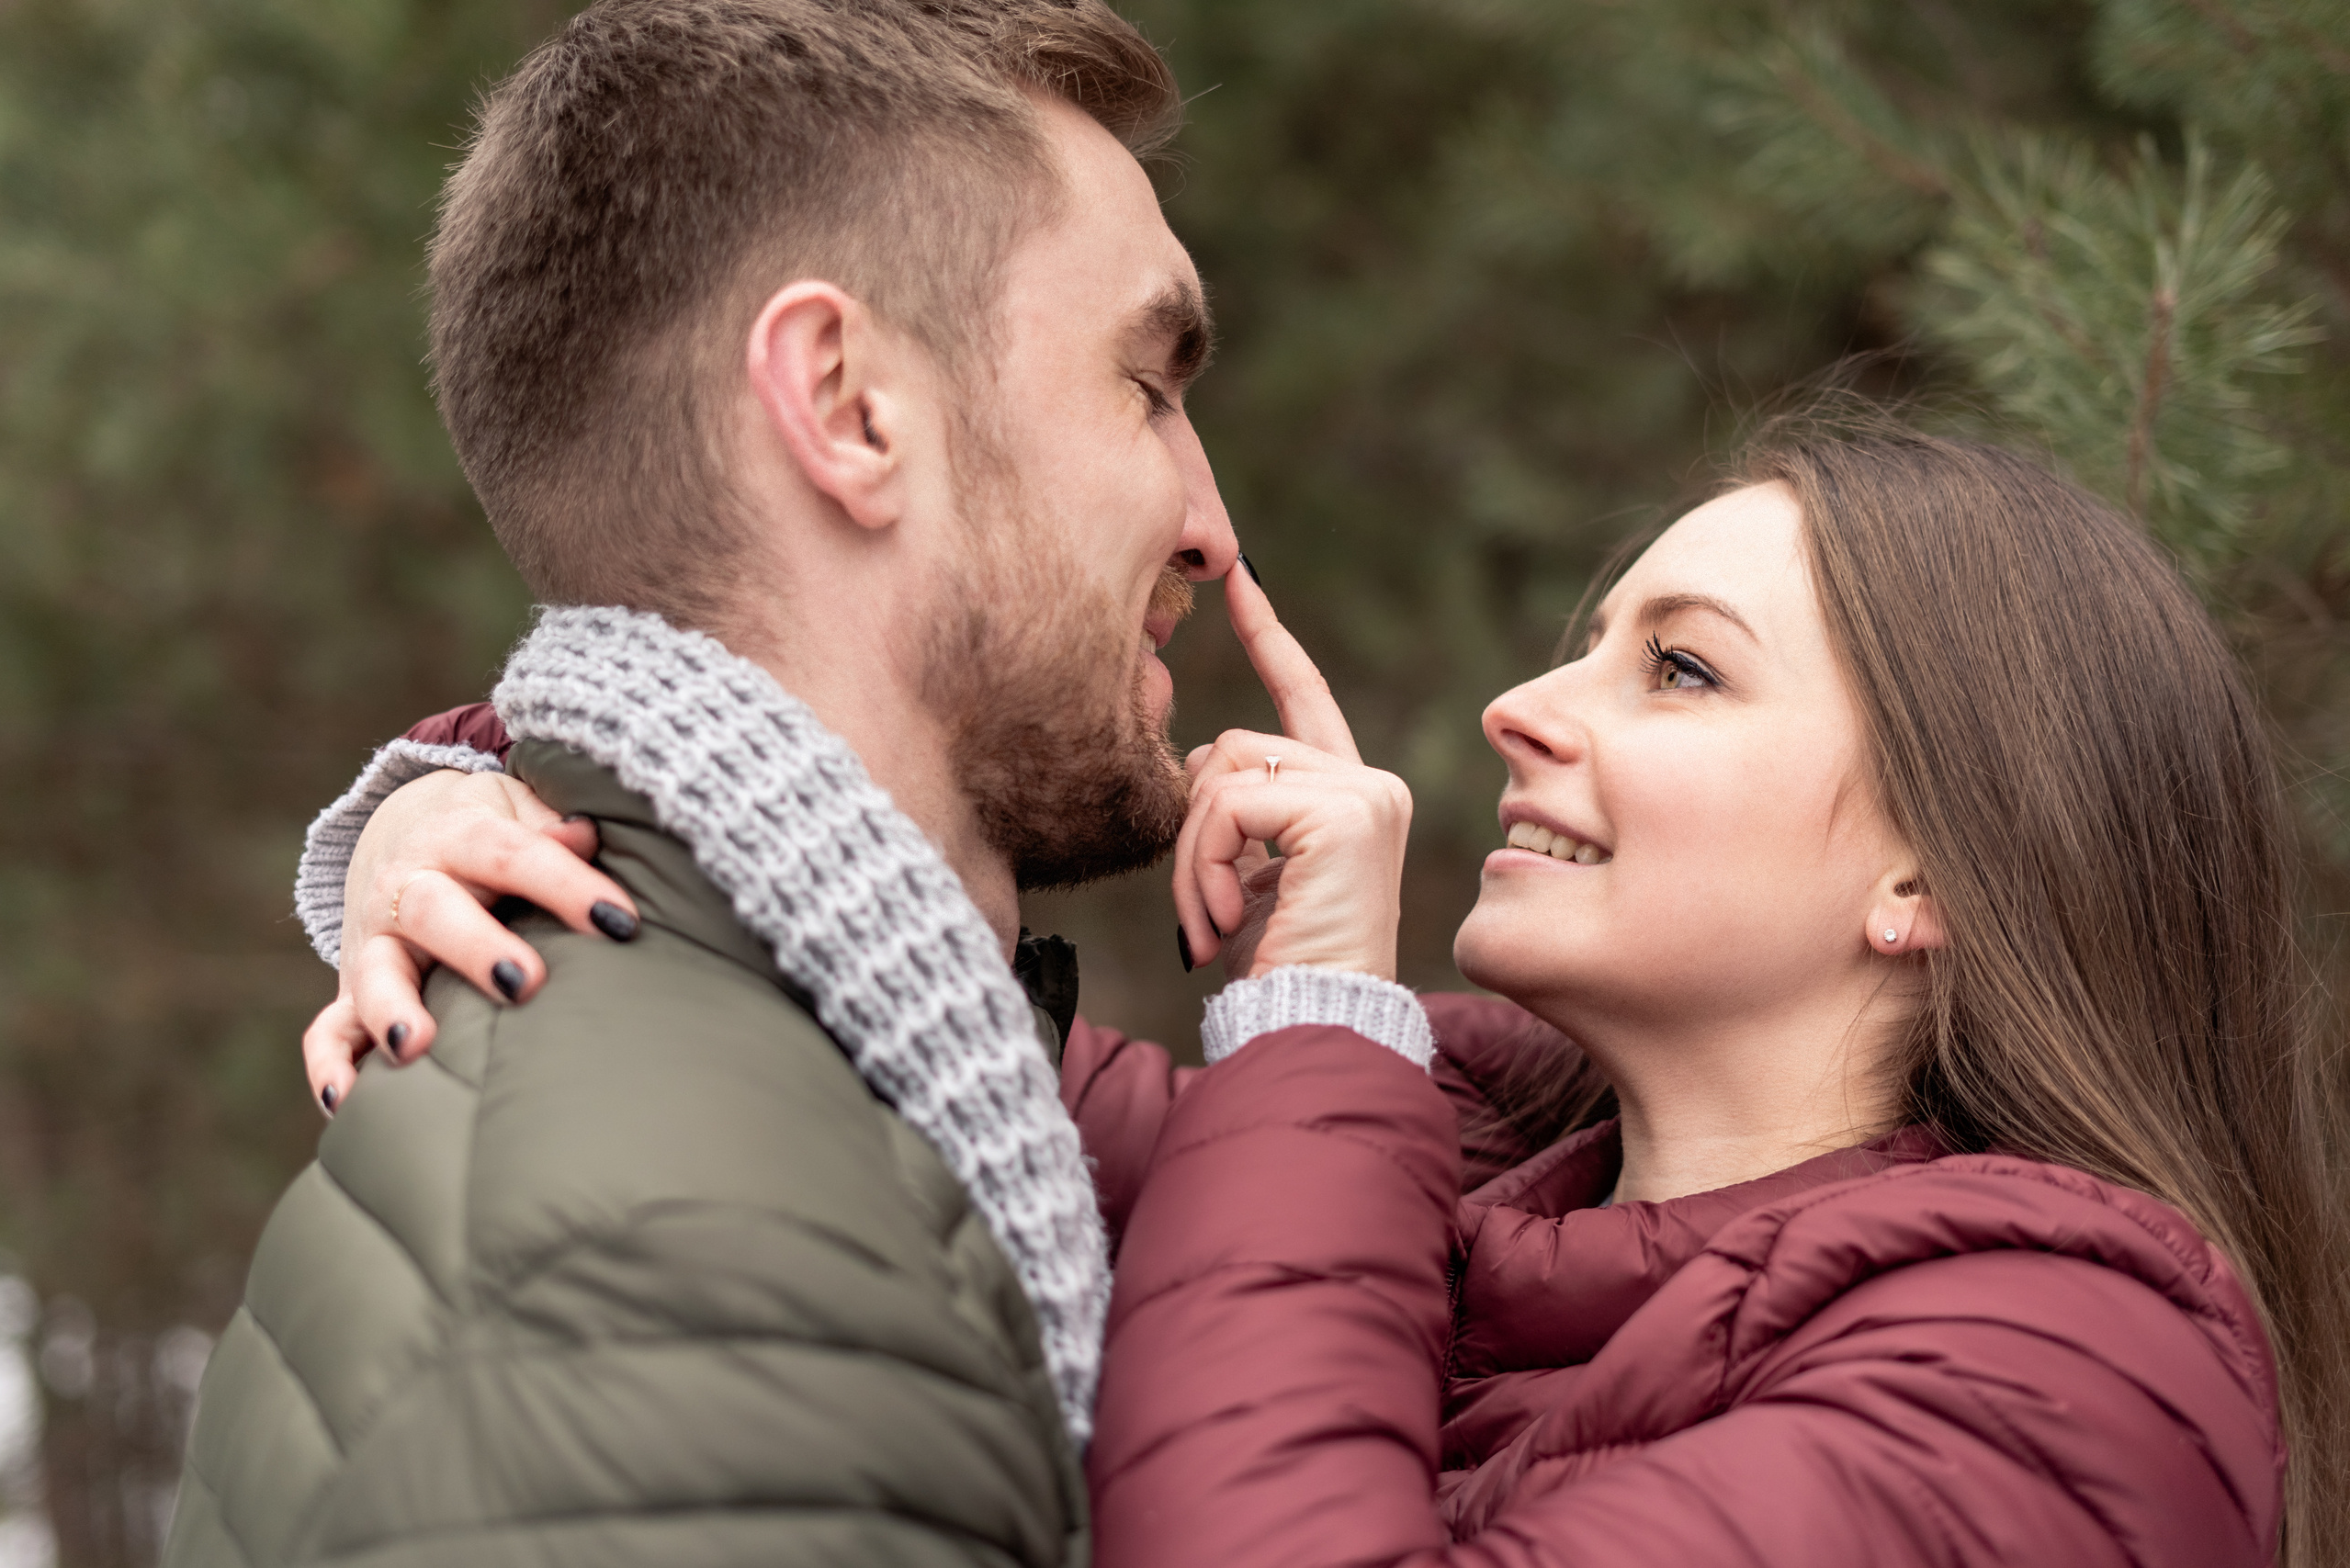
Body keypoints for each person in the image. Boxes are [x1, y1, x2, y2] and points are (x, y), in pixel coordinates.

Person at [321, 418, 2347, 1567]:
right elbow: (873, 978)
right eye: (1588, 638)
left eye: (1681, 667)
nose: (1520, 707)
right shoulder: (1443, 1175)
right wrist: (476, 802)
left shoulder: (2064, 1366)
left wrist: (1314, 1016)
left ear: (1934, 868)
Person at [158, 1, 1349, 1562]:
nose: (1211, 523)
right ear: (849, 407)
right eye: (1149, 383)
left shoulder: (760, 1144)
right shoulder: (679, 1291)